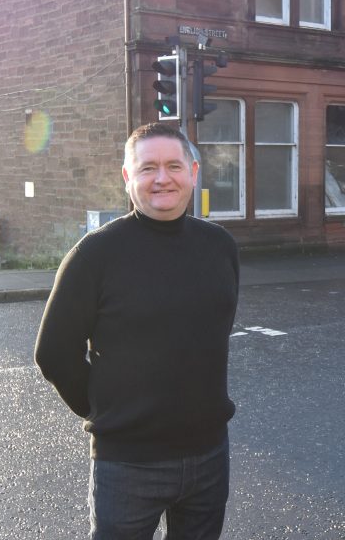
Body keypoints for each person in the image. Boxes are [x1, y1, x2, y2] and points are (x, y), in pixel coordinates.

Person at [35, 122, 240, 539]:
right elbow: (54, 352)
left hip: (209, 455)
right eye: (148, 168)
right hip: (127, 464)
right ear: (128, 178)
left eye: (173, 166)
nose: (162, 178)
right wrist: (104, 411)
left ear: (193, 172)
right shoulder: (94, 254)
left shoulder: (220, 246)